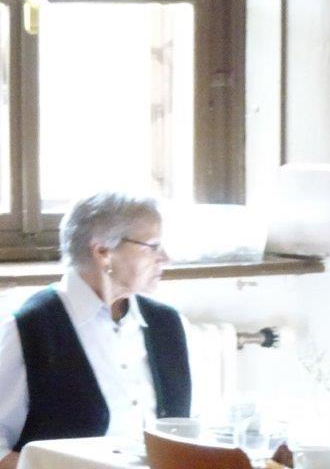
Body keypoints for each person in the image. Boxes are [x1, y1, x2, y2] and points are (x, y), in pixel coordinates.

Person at [0, 192, 190, 468]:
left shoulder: (167, 323)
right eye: (152, 246)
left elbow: (191, 431)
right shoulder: (30, 328)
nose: (165, 258)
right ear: (103, 252)